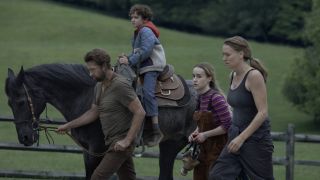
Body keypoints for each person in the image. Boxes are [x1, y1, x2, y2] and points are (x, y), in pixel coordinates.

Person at [57, 48, 146, 180]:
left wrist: (127, 140)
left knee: (97, 177)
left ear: (104, 66)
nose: (90, 74)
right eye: (89, 70)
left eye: (93, 69)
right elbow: (93, 112)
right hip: (112, 142)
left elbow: (140, 112)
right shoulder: (99, 86)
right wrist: (68, 125)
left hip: (121, 143)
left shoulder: (120, 85)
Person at [209, 36, 274, 180]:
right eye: (223, 54)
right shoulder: (232, 75)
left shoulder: (254, 76)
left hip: (255, 140)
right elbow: (235, 107)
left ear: (241, 54)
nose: (224, 58)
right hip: (235, 136)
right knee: (217, 176)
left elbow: (263, 112)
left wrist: (242, 138)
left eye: (228, 54)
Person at [118, 4, 166, 147]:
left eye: (136, 17)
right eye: (131, 17)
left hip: (151, 66)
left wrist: (130, 60)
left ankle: (156, 129)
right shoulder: (139, 31)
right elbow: (137, 52)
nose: (133, 20)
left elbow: (146, 50)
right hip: (144, 66)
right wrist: (126, 58)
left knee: (147, 92)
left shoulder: (146, 31)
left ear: (144, 19)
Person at [188, 63, 231, 180]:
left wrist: (205, 135)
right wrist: (195, 133)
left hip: (218, 150)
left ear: (209, 78)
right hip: (202, 151)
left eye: (199, 76)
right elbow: (201, 124)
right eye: (193, 76)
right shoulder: (200, 98)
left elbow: (227, 125)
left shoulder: (216, 98)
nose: (195, 80)